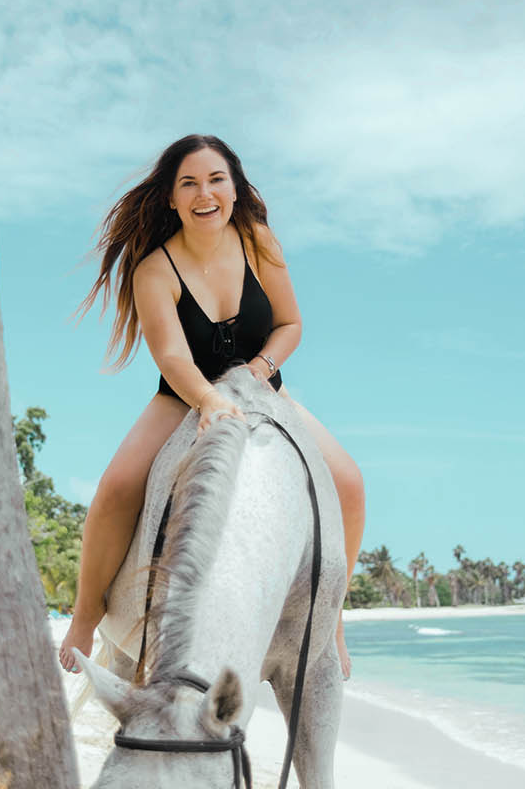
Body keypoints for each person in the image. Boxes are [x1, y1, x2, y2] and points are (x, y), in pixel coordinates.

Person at [56, 134, 363, 679]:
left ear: (236, 188)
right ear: (172, 198)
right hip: (184, 396)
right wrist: (209, 401)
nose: (205, 193)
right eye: (190, 183)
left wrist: (259, 372)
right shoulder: (153, 270)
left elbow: (291, 325)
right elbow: (172, 356)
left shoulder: (258, 240)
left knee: (349, 483)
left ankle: (329, 616)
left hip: (263, 385)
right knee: (115, 489)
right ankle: (85, 615)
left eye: (217, 180)